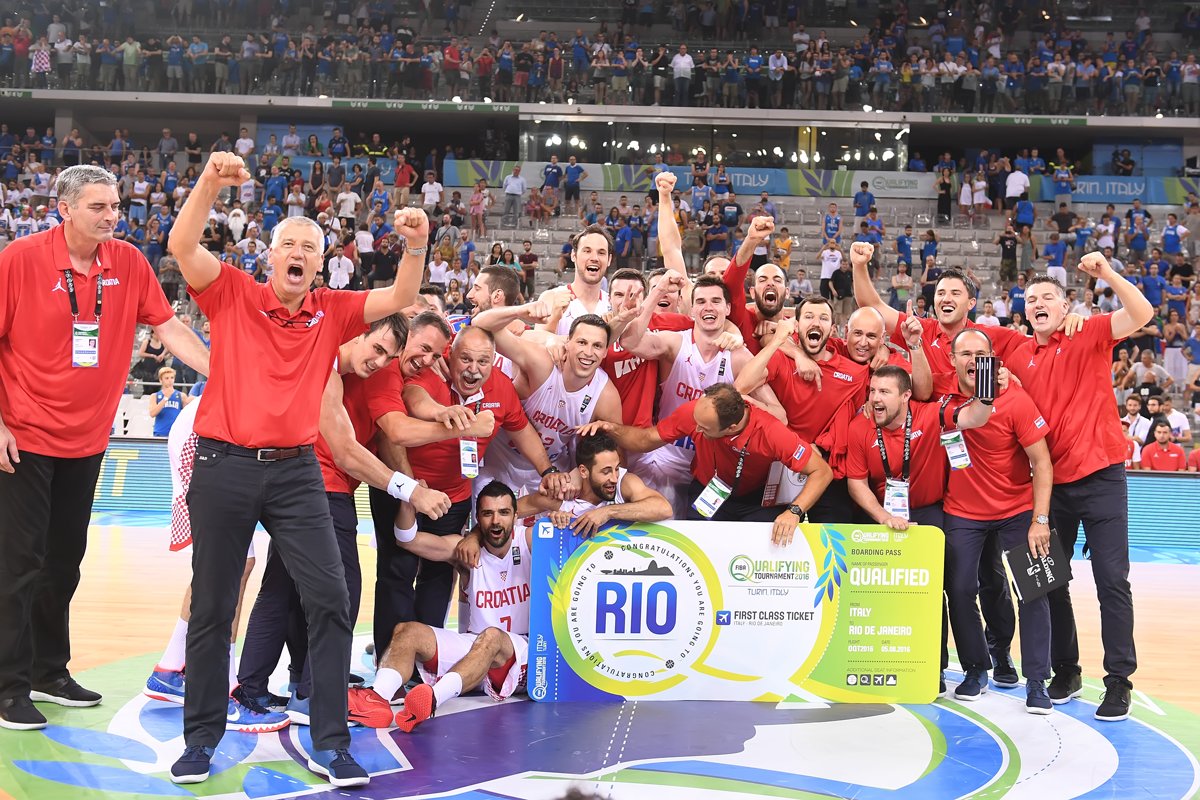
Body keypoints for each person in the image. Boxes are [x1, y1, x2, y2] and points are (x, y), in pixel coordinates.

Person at [164, 151, 426, 786]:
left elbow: (401, 296)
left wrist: (416, 244)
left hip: (296, 472)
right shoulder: (232, 292)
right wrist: (209, 181)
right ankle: (201, 739)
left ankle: (332, 744)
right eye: (289, 244)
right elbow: (181, 245)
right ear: (270, 255)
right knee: (213, 606)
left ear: (322, 261)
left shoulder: (332, 309)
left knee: (332, 599)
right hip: (223, 465)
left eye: (310, 247)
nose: (299, 253)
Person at [0, 164, 210, 732]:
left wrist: (223, 372)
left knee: (64, 562)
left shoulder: (129, 263)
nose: (112, 216)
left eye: (115, 206)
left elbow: (168, 328)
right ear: (64, 209)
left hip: (88, 441)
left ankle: (48, 672)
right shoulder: (19, 260)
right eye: (98, 207)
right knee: (19, 565)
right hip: (24, 438)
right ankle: (8, 687)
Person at [1008, 253, 1154, 722]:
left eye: (1047, 297)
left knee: (1112, 581)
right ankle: (1066, 670)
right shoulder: (1015, 351)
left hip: (1102, 475)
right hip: (1049, 484)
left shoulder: (1088, 332)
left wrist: (1107, 273)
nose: (1037, 304)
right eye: (1030, 299)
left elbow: (1143, 313)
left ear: (1065, 305)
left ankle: (1119, 681)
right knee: (1048, 579)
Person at [935, 329, 1056, 712]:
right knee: (959, 590)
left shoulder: (1016, 398)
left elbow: (1042, 462)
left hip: (1017, 510)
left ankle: (1037, 681)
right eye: (964, 353)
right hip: (962, 512)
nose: (972, 360)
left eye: (980, 354)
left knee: (1035, 589)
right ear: (952, 360)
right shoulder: (940, 393)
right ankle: (976, 668)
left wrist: (1040, 519)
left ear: (993, 359)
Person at [364, 481, 532, 730]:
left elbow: (565, 529)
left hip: (519, 655)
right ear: (477, 518)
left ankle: (431, 699)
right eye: (487, 514)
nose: (496, 521)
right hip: (474, 649)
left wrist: (566, 517)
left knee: (493, 636)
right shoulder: (463, 549)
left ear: (516, 516)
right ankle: (375, 700)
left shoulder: (530, 540)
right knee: (406, 631)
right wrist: (409, 500)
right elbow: (407, 540)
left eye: (504, 513)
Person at [580, 382, 832, 541]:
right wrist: (611, 428)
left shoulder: (771, 432)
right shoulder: (697, 413)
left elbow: (822, 472)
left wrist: (794, 512)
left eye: (704, 428)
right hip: (707, 492)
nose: (696, 430)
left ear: (731, 428)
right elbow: (646, 440)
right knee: (699, 550)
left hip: (755, 502)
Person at [541, 225, 613, 336]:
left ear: (609, 260)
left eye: (601, 253)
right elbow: (536, 344)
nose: (594, 258)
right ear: (573, 255)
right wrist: (554, 319)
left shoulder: (614, 305)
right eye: (587, 251)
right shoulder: (550, 298)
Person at [149, 366, 189, 437]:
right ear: (161, 380)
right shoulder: (155, 396)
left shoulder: (181, 395)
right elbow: (152, 413)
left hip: (177, 433)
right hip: (160, 432)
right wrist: (165, 398)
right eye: (167, 378)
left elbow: (187, 416)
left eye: (172, 378)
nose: (170, 380)